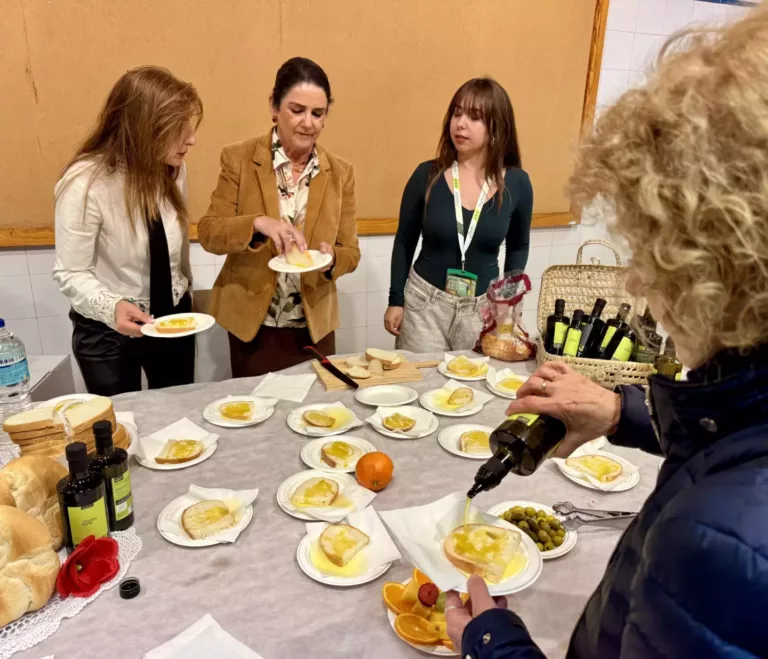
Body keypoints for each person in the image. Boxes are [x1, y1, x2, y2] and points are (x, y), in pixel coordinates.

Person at [445, 10, 768, 659]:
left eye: (653, 247)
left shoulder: (719, 541)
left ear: (713, 260)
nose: (645, 286)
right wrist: (624, 409)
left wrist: (490, 641)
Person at [198, 57, 360, 377]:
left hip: (315, 327)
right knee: (255, 416)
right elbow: (209, 232)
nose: (308, 123)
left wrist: (332, 259)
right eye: (296, 110)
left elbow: (351, 252)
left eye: (318, 113)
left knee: (316, 416)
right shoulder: (240, 159)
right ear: (274, 106)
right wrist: (257, 223)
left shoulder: (341, 173)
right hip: (255, 327)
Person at [53, 66, 202, 395]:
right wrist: (112, 307)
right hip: (108, 329)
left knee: (177, 412)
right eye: (178, 126)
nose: (191, 138)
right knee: (121, 427)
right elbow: (70, 272)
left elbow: (170, 254)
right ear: (143, 127)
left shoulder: (173, 169)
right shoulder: (86, 183)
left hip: (171, 315)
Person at [384, 77, 532, 352]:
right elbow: (404, 241)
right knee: (421, 387)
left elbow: (519, 246)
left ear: (497, 127)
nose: (460, 123)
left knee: (472, 389)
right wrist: (396, 300)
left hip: (482, 309)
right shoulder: (427, 175)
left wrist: (508, 306)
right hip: (424, 305)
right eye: (457, 112)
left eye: (474, 117)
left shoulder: (517, 183)